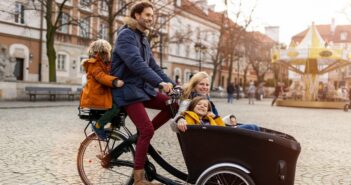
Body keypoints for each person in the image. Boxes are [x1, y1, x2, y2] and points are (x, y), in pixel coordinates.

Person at [110, 2, 174, 185]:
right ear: (136, 15)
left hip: (141, 89)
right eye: (147, 15)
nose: (150, 18)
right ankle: (138, 179)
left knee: (173, 105)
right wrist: (159, 83)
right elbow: (136, 64)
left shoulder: (143, 38)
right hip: (127, 90)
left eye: (152, 16)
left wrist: (174, 85)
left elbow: (153, 66)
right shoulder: (126, 36)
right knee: (147, 128)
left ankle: (142, 140)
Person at [173, 71, 259, 132]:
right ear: (194, 85)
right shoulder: (188, 101)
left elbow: (216, 119)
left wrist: (229, 118)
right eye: (201, 84)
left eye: (207, 85)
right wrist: (180, 119)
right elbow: (176, 121)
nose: (205, 87)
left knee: (255, 128)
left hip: (218, 130)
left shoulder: (206, 99)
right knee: (253, 127)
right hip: (216, 135)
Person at [80, 39, 124, 140]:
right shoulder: (94, 64)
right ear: (98, 53)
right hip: (95, 97)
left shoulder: (105, 64)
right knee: (115, 108)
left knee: (121, 103)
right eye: (104, 52)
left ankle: (113, 127)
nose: (107, 55)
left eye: (108, 52)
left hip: (101, 95)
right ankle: (98, 125)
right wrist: (114, 81)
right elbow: (101, 76)